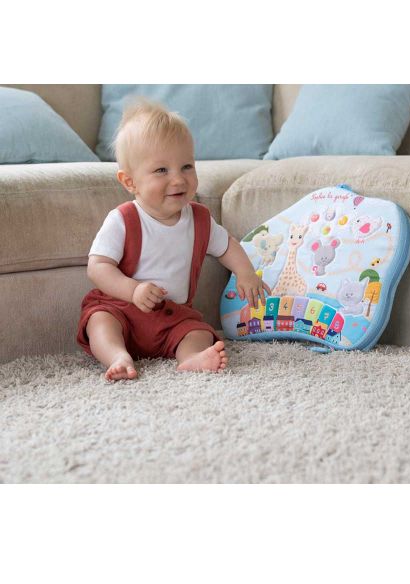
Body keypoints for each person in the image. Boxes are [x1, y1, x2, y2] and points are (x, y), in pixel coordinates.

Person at [76, 99, 270, 380]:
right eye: (161, 170)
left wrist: (245, 272)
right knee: (99, 321)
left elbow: (227, 246)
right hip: (122, 308)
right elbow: (98, 267)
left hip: (172, 317)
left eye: (187, 166)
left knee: (199, 331)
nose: (178, 179)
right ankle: (117, 356)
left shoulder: (200, 219)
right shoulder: (123, 219)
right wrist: (133, 290)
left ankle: (190, 357)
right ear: (130, 182)